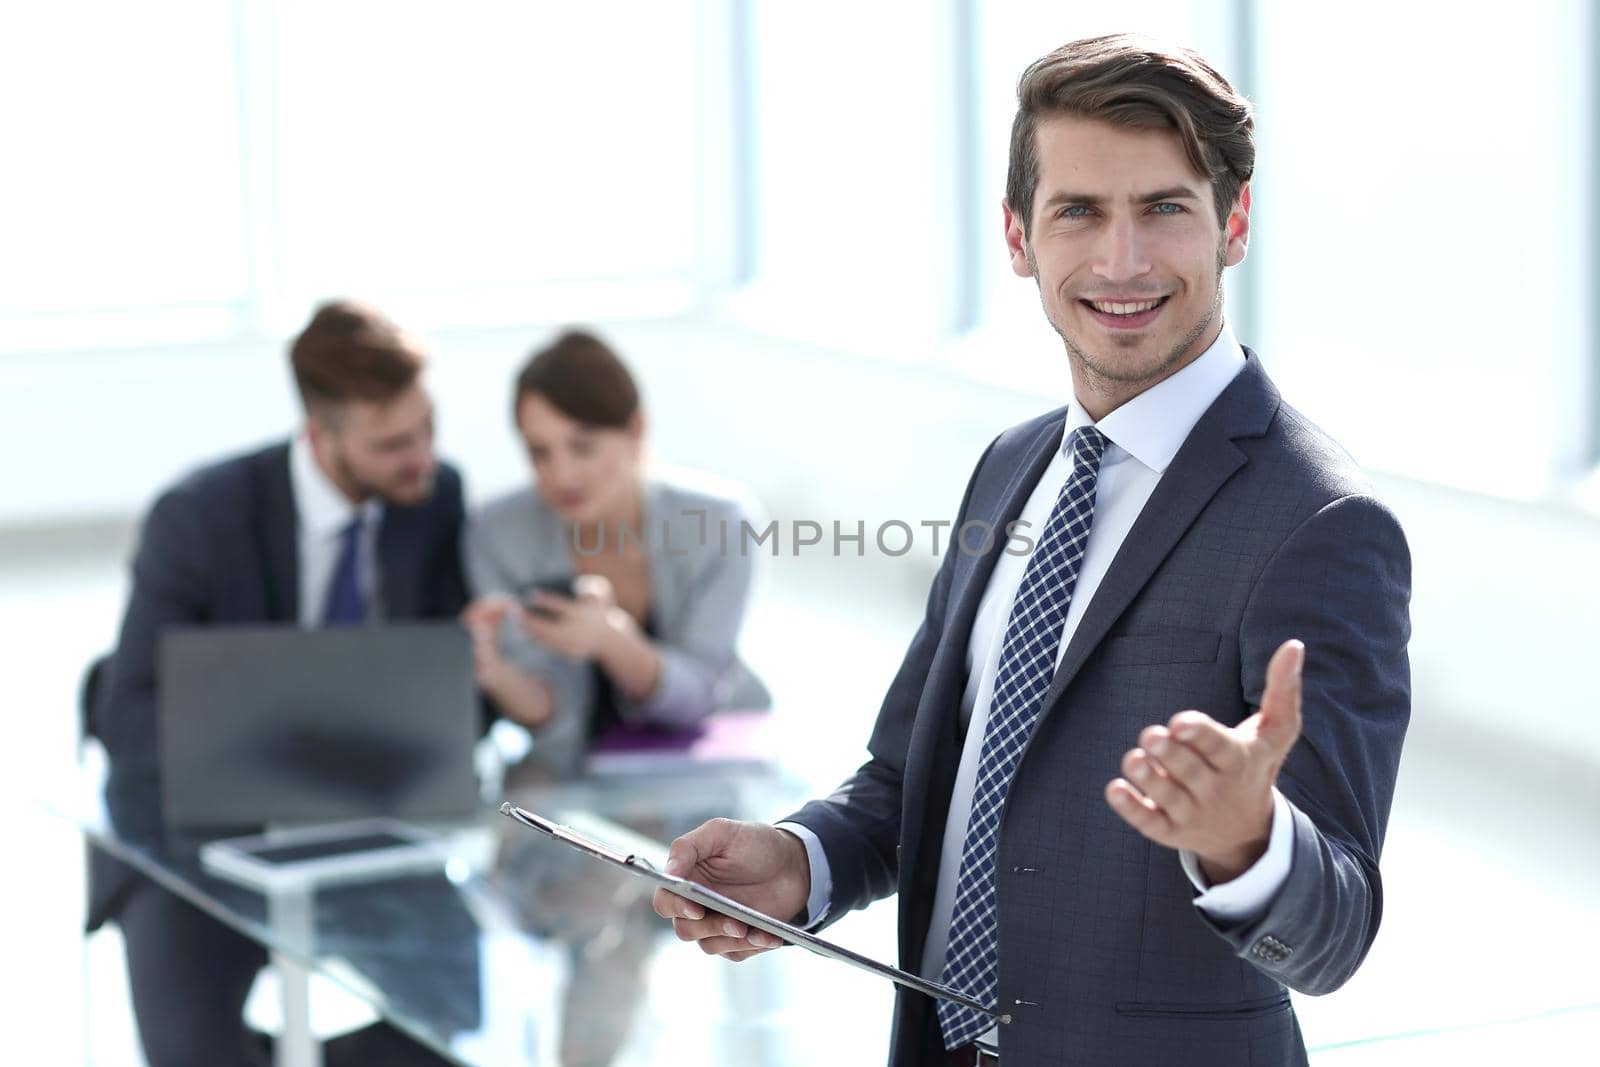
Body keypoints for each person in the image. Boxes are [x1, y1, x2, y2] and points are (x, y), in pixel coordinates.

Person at [653, 33, 1411, 1067]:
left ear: (1231, 223)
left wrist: (1246, 836)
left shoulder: (1318, 524)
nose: (1121, 261)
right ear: (1018, 236)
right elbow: (913, 774)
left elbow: (1336, 931)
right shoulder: (1013, 466)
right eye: (1078, 212)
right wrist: (800, 858)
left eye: (1164, 208)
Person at [90, 300, 472, 1067]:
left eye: (428, 428)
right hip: (196, 840)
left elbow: (455, 713)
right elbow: (125, 714)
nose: (421, 459)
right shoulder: (198, 517)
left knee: (454, 1010)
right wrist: (281, 750)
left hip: (368, 828)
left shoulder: (432, 502)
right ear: (321, 436)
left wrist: (479, 668)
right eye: (394, 443)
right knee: (193, 1050)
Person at [462, 328, 769, 777]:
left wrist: (611, 641)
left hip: (711, 760)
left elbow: (701, 691)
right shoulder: (496, 532)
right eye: (539, 452)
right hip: (573, 773)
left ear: (635, 429)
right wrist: (494, 673)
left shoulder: (724, 522)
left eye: (582, 447)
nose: (560, 474)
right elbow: (550, 714)